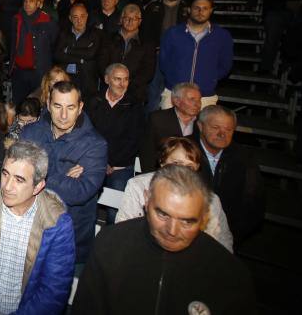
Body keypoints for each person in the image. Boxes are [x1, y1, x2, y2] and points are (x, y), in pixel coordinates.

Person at [74, 165, 257, 314]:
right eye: (162, 214)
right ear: (146, 200)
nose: (172, 231)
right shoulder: (110, 245)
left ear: (204, 217)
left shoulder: (228, 274)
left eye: (187, 221)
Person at [0, 140, 75, 314]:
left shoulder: (57, 223)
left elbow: (52, 292)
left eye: (19, 180)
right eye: (5, 174)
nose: (7, 186)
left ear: (38, 186)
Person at [22, 81, 107, 266]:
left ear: (80, 107)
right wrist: (62, 176)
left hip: (70, 241)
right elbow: (16, 177)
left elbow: (78, 193)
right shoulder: (30, 133)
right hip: (28, 233)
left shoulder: (95, 145)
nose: (63, 115)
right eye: (57, 106)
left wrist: (37, 171)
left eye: (70, 107)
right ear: (48, 104)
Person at [116, 137, 234, 252]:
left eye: (189, 167)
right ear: (162, 162)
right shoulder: (140, 186)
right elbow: (124, 229)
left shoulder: (210, 200)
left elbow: (222, 243)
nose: (182, 171)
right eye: (176, 163)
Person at [194, 105, 265, 245]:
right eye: (215, 127)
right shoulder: (184, 151)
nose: (222, 134)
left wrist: (232, 236)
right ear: (200, 126)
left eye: (228, 129)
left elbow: (253, 202)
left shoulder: (244, 158)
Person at [84, 64, 143, 223]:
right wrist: (102, 161)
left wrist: (111, 163)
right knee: (86, 209)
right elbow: (86, 134)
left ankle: (110, 243)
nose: (122, 84)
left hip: (120, 166)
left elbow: (134, 140)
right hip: (93, 163)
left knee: (115, 211)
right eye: (117, 79)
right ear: (106, 79)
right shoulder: (93, 101)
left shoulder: (135, 106)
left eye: (126, 80)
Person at [159, 0, 233, 108]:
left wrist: (209, 79)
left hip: (204, 97)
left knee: (201, 126)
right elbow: (164, 62)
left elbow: (225, 65)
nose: (200, 11)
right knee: (167, 125)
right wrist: (174, 79)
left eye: (205, 8)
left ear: (211, 11)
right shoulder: (172, 33)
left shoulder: (222, 36)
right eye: (196, 7)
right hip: (173, 94)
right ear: (189, 9)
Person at [97, 3, 156, 104]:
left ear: (140, 21)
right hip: (108, 90)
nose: (130, 21)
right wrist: (113, 82)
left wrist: (125, 84)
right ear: (121, 20)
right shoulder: (108, 39)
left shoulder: (147, 43)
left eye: (134, 18)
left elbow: (148, 71)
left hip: (135, 94)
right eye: (127, 18)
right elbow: (101, 63)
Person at [10, 0, 58, 105]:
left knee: (37, 105)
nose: (27, 4)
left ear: (38, 4)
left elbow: (54, 44)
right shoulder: (16, 19)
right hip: (19, 71)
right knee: (18, 105)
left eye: (31, 1)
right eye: (25, 1)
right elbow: (12, 44)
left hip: (38, 71)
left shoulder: (47, 21)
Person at [141, 82, 201, 172]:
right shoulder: (158, 119)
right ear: (176, 101)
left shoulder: (203, 122)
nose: (197, 104)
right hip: (162, 174)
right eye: (192, 99)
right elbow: (147, 153)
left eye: (199, 100)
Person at [53, 1, 104, 98]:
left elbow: (90, 54)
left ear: (87, 16)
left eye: (82, 16)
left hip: (88, 82)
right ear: (70, 18)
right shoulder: (63, 33)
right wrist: (80, 59)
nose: (79, 21)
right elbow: (57, 55)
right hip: (67, 80)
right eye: (75, 17)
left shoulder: (95, 34)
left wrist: (68, 50)